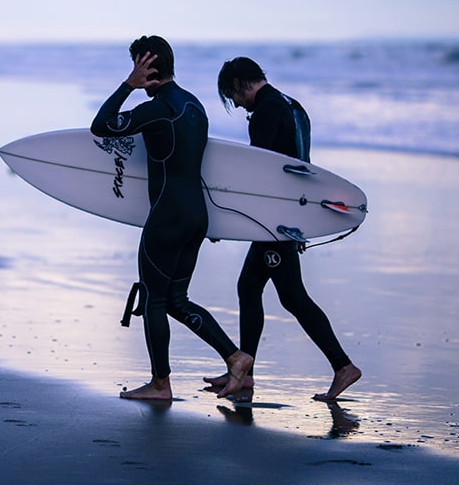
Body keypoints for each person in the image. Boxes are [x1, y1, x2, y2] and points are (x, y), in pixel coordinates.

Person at [91, 36, 253, 401]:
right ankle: (235, 356)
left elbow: (101, 126)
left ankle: (160, 384)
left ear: (145, 67)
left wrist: (127, 86)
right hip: (197, 215)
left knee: (154, 300)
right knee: (177, 299)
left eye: (136, 65)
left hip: (167, 216)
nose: (133, 72)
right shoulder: (194, 106)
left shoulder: (159, 108)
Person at [203, 56, 361, 401]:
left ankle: (342, 365)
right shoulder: (293, 106)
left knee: (292, 296)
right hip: (288, 216)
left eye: (232, 96)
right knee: (249, 287)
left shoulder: (265, 112)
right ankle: (244, 372)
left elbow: (257, 176)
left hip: (273, 221)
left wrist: (223, 221)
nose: (235, 104)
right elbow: (301, 165)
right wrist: (301, 222)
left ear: (239, 84)